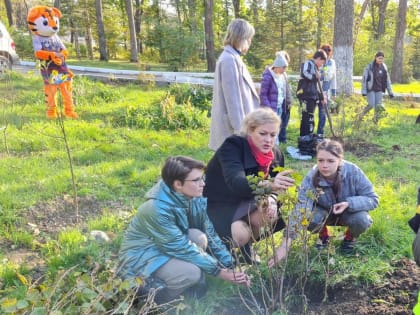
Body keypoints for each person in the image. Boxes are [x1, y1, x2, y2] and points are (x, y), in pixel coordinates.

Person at [118, 156, 250, 303]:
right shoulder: (156, 209)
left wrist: (231, 266)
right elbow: (180, 247)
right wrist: (219, 272)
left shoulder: (194, 197)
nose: (203, 183)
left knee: (199, 237)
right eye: (196, 180)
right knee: (191, 273)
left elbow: (210, 234)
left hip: (165, 246)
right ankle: (155, 301)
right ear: (178, 184)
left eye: (202, 178)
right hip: (141, 259)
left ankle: (188, 287)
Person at [204, 108, 295, 263]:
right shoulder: (233, 146)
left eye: (273, 135)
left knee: (268, 214)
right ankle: (219, 248)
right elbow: (236, 182)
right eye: (263, 133)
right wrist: (271, 186)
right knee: (239, 234)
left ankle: (247, 248)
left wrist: (272, 198)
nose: (268, 140)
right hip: (221, 203)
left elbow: (277, 188)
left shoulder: (276, 154)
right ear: (250, 131)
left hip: (248, 201)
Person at [269, 139, 379, 267]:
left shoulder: (353, 172)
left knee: (362, 220)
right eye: (320, 160)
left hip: (348, 213)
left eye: (330, 161)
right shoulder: (311, 177)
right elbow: (301, 208)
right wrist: (285, 245)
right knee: (308, 218)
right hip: (322, 213)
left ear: (340, 160)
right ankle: (323, 235)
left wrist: (349, 204)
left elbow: (373, 199)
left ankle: (350, 237)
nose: (324, 165)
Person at [209, 18, 259, 151]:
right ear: (241, 37)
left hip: (237, 127)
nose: (250, 42)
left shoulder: (233, 58)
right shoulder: (229, 60)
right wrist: (241, 132)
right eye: (249, 38)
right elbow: (233, 102)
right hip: (233, 129)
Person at [259, 51, 293, 144]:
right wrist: (269, 108)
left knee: (277, 127)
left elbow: (284, 91)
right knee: (269, 128)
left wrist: (287, 102)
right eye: (283, 67)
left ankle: (275, 146)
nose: (284, 70)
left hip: (279, 107)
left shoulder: (282, 76)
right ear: (277, 66)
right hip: (270, 108)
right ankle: (271, 146)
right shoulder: (268, 76)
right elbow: (263, 94)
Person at [297, 50, 327, 137]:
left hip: (313, 97)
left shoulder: (316, 68)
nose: (322, 64)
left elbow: (317, 86)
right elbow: (304, 73)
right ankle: (304, 136)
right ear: (318, 58)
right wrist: (314, 77)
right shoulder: (308, 63)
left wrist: (321, 97)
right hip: (305, 96)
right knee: (306, 116)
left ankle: (309, 136)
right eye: (322, 62)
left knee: (310, 117)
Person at [360, 51, 394, 124]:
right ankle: (360, 116)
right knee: (371, 105)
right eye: (379, 58)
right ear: (375, 58)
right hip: (371, 89)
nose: (380, 60)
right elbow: (364, 80)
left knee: (378, 107)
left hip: (379, 89)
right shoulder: (369, 67)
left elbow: (387, 80)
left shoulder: (384, 67)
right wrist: (363, 91)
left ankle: (375, 122)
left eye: (382, 58)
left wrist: (390, 92)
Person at [317, 44, 337, 136]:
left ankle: (320, 134)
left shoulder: (332, 63)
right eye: (325, 53)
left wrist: (334, 92)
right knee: (311, 114)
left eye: (328, 54)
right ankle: (308, 134)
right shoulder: (317, 62)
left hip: (325, 91)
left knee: (323, 113)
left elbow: (333, 78)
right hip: (316, 90)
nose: (327, 56)